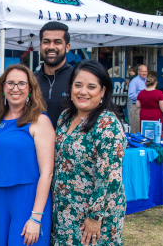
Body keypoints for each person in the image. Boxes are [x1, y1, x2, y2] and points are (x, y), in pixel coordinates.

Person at [52, 60, 127, 246]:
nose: (83, 91)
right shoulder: (65, 117)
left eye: (91, 87)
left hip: (91, 215)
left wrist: (95, 216)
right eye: (78, 85)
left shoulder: (107, 123)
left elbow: (110, 176)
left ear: (102, 91)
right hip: (64, 210)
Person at [0, 64, 54, 246]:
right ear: (2, 88)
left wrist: (36, 217)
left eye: (22, 83)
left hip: (28, 198)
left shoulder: (40, 120)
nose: (16, 88)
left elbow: (47, 173)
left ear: (30, 89)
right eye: (10, 83)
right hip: (0, 198)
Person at [33, 21, 74, 128]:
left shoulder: (77, 79)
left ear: (67, 47)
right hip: (34, 143)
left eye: (57, 42)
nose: (51, 47)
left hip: (67, 143)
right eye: (46, 42)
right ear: (40, 46)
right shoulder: (30, 80)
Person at [127, 64, 148, 133]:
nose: (144, 73)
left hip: (145, 107)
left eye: (146, 71)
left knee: (144, 128)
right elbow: (131, 94)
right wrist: (142, 98)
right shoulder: (134, 81)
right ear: (138, 72)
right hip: (136, 107)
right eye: (142, 71)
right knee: (136, 130)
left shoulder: (147, 81)